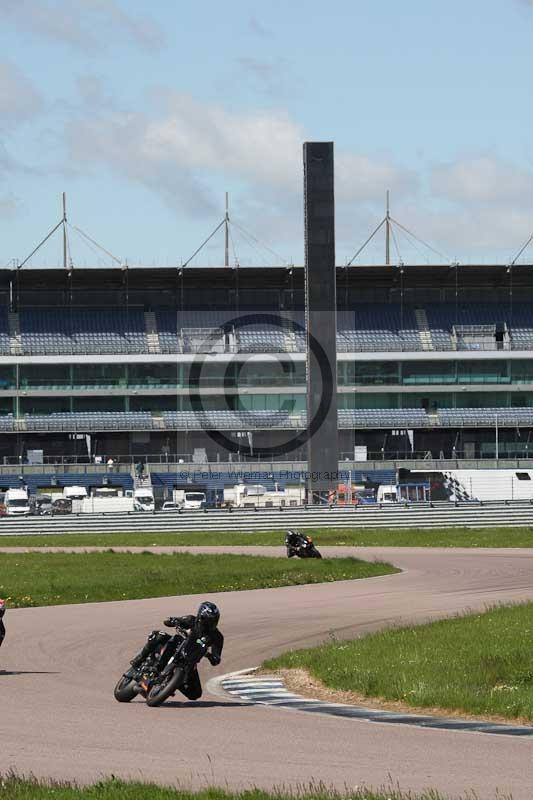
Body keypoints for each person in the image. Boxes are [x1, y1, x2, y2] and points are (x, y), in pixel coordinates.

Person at [130, 601, 223, 700]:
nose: (210, 623)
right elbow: (169, 621)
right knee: (159, 636)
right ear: (201, 616)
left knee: (195, 694)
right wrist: (173, 621)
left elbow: (216, 658)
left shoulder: (217, 637)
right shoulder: (191, 620)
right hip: (178, 647)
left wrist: (213, 657)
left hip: (190, 661)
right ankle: (140, 659)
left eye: (213, 620)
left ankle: (172, 683)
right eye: (208, 620)